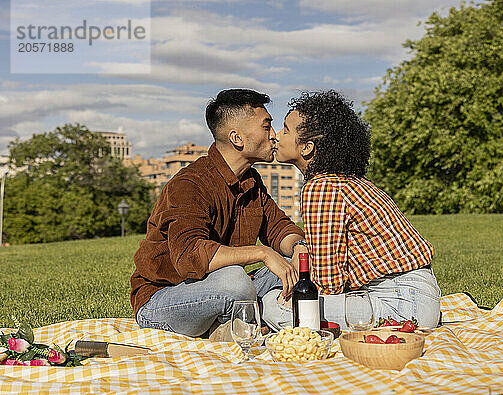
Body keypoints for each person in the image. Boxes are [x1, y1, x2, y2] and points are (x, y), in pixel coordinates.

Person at [130, 89, 308, 338]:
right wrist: (261, 252)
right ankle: (250, 321)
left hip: (222, 290)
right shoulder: (190, 183)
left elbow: (279, 227)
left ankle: (238, 324)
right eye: (267, 126)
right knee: (234, 281)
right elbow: (189, 255)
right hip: (165, 299)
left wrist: (299, 246)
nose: (275, 135)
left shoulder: (251, 181)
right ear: (237, 138)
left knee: (297, 265)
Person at [262, 90, 441, 330]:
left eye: (285, 129)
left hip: (401, 306)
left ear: (306, 148)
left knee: (272, 305)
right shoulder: (345, 181)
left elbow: (329, 283)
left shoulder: (321, 188)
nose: (277, 136)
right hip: (417, 298)